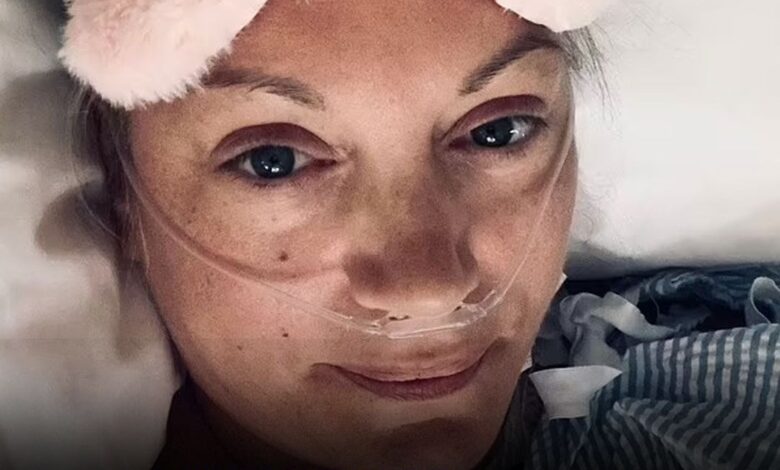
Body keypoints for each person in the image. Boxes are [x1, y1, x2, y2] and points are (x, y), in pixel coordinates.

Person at [64, 1, 780, 469]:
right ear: (124, 194)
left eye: (499, 132)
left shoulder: (719, 385)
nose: (430, 291)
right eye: (273, 161)